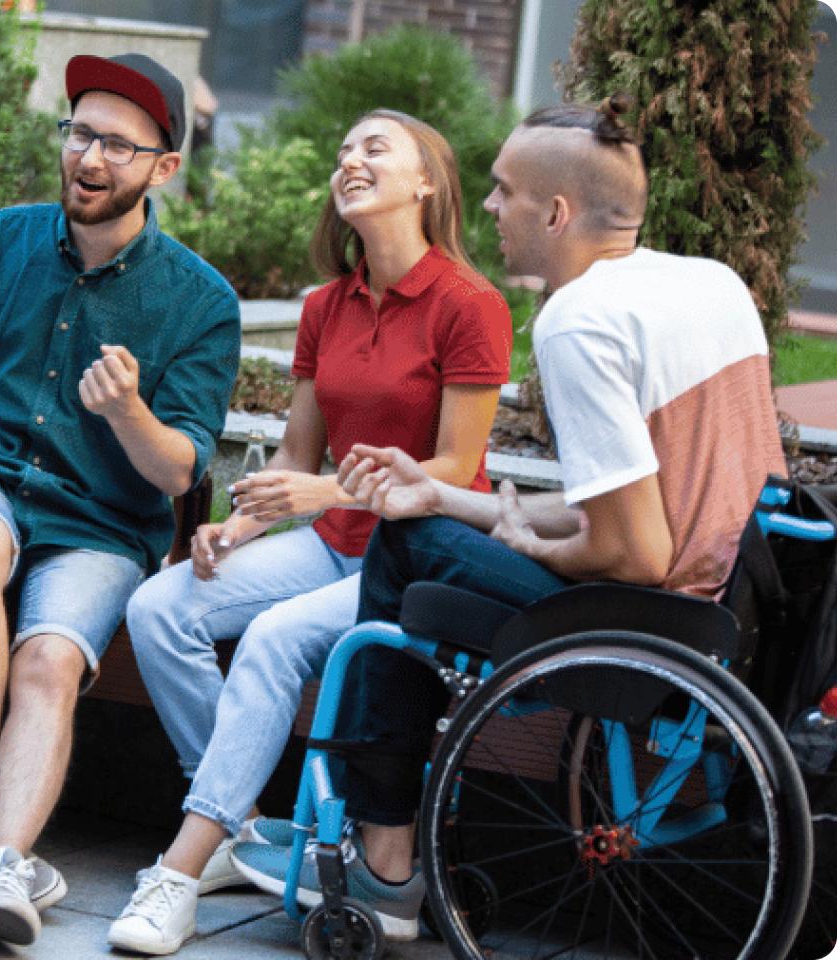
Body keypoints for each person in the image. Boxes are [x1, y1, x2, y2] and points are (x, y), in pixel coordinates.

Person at [238, 94, 785, 937]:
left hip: (647, 622)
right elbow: (646, 498)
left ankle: (386, 859)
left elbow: (636, 551)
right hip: (733, 607)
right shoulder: (707, 284)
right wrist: (451, 497)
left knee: (402, 545)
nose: (488, 207)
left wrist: (525, 539)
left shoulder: (578, 321)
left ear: (557, 213)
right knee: (421, 520)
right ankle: (383, 843)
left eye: (503, 191)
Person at [108, 110, 512, 955]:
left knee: (273, 638)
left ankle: (178, 872)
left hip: (414, 558)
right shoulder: (326, 306)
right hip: (330, 541)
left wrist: (319, 487)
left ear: (427, 182)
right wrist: (240, 526)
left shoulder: (470, 304)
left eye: (374, 149)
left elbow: (453, 468)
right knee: (160, 607)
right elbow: (296, 453)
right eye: (343, 152)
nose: (350, 161)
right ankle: (236, 821)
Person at [0, 53, 241, 947]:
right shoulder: (0, 240)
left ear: (164, 168)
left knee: (49, 661)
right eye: (80, 132)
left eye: (118, 145)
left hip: (102, 525)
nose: (90, 157)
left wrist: (126, 411)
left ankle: (3, 862)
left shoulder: (202, 302)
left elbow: (177, 472)